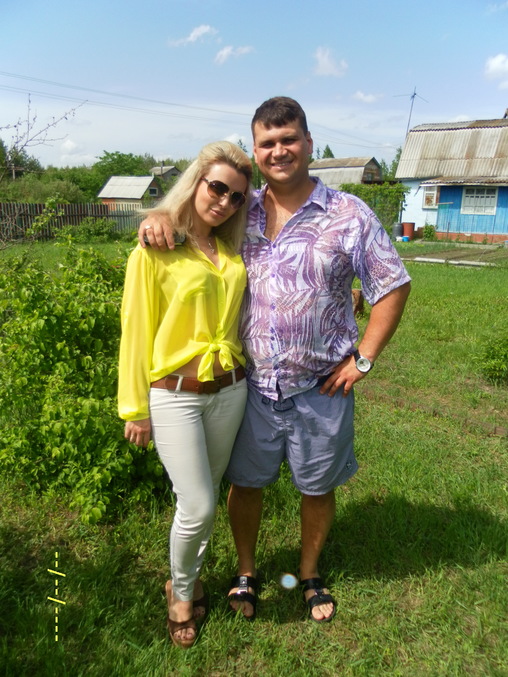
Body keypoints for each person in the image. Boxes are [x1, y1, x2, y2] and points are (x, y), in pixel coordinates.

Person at [138, 97, 411, 624]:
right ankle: (246, 572)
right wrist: (157, 215)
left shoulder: (349, 214)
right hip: (250, 386)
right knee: (246, 484)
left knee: (317, 487)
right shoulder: (241, 208)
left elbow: (393, 284)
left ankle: (308, 573)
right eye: (267, 143)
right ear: (255, 150)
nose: (279, 151)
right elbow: (193, 226)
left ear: (308, 143)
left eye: (289, 139)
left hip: (322, 386)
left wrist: (364, 359)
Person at [119, 140, 252, 648]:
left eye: (236, 197)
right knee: (197, 505)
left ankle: (191, 578)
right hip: (174, 394)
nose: (224, 201)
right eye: (217, 187)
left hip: (230, 390)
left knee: (206, 498)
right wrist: (134, 408)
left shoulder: (230, 251)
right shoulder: (156, 249)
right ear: (196, 182)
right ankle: (179, 593)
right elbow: (136, 331)